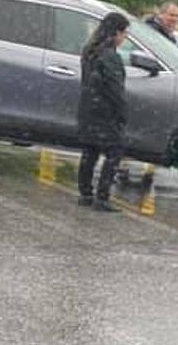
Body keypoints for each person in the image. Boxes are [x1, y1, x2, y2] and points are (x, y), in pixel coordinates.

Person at [76, 12, 131, 213]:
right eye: (124, 33)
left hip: (88, 109)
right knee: (114, 151)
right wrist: (122, 112)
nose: (124, 38)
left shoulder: (90, 51)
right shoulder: (110, 56)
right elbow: (115, 89)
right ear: (116, 32)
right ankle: (102, 196)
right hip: (105, 112)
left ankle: (85, 193)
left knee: (90, 151)